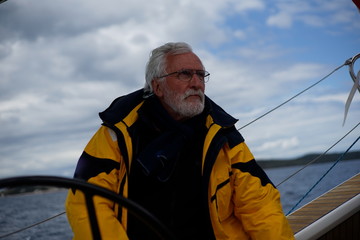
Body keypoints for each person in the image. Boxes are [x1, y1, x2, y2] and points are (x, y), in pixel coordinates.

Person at [65, 42, 294, 240]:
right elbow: (87, 202)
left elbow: (259, 204)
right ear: (157, 87)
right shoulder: (117, 133)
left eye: (201, 75)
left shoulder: (222, 134)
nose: (196, 83)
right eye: (185, 74)